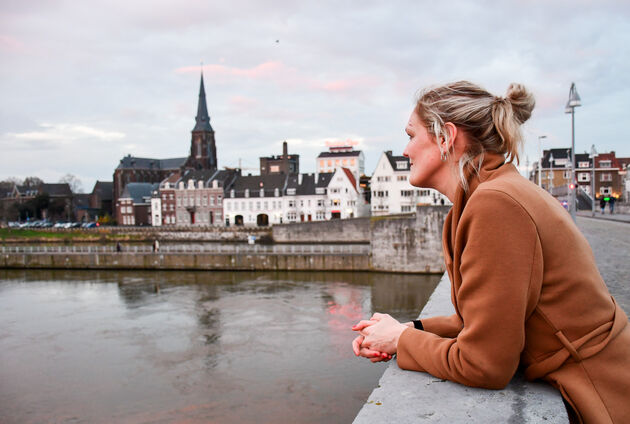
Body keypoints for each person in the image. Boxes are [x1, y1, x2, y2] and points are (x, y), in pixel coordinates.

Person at [351, 81, 630, 423]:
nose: (405, 151)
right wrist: (409, 328)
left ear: (445, 137)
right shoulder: (488, 194)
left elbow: (484, 364)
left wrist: (403, 340)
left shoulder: (495, 204)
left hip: (601, 397)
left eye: (411, 135)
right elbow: (481, 322)